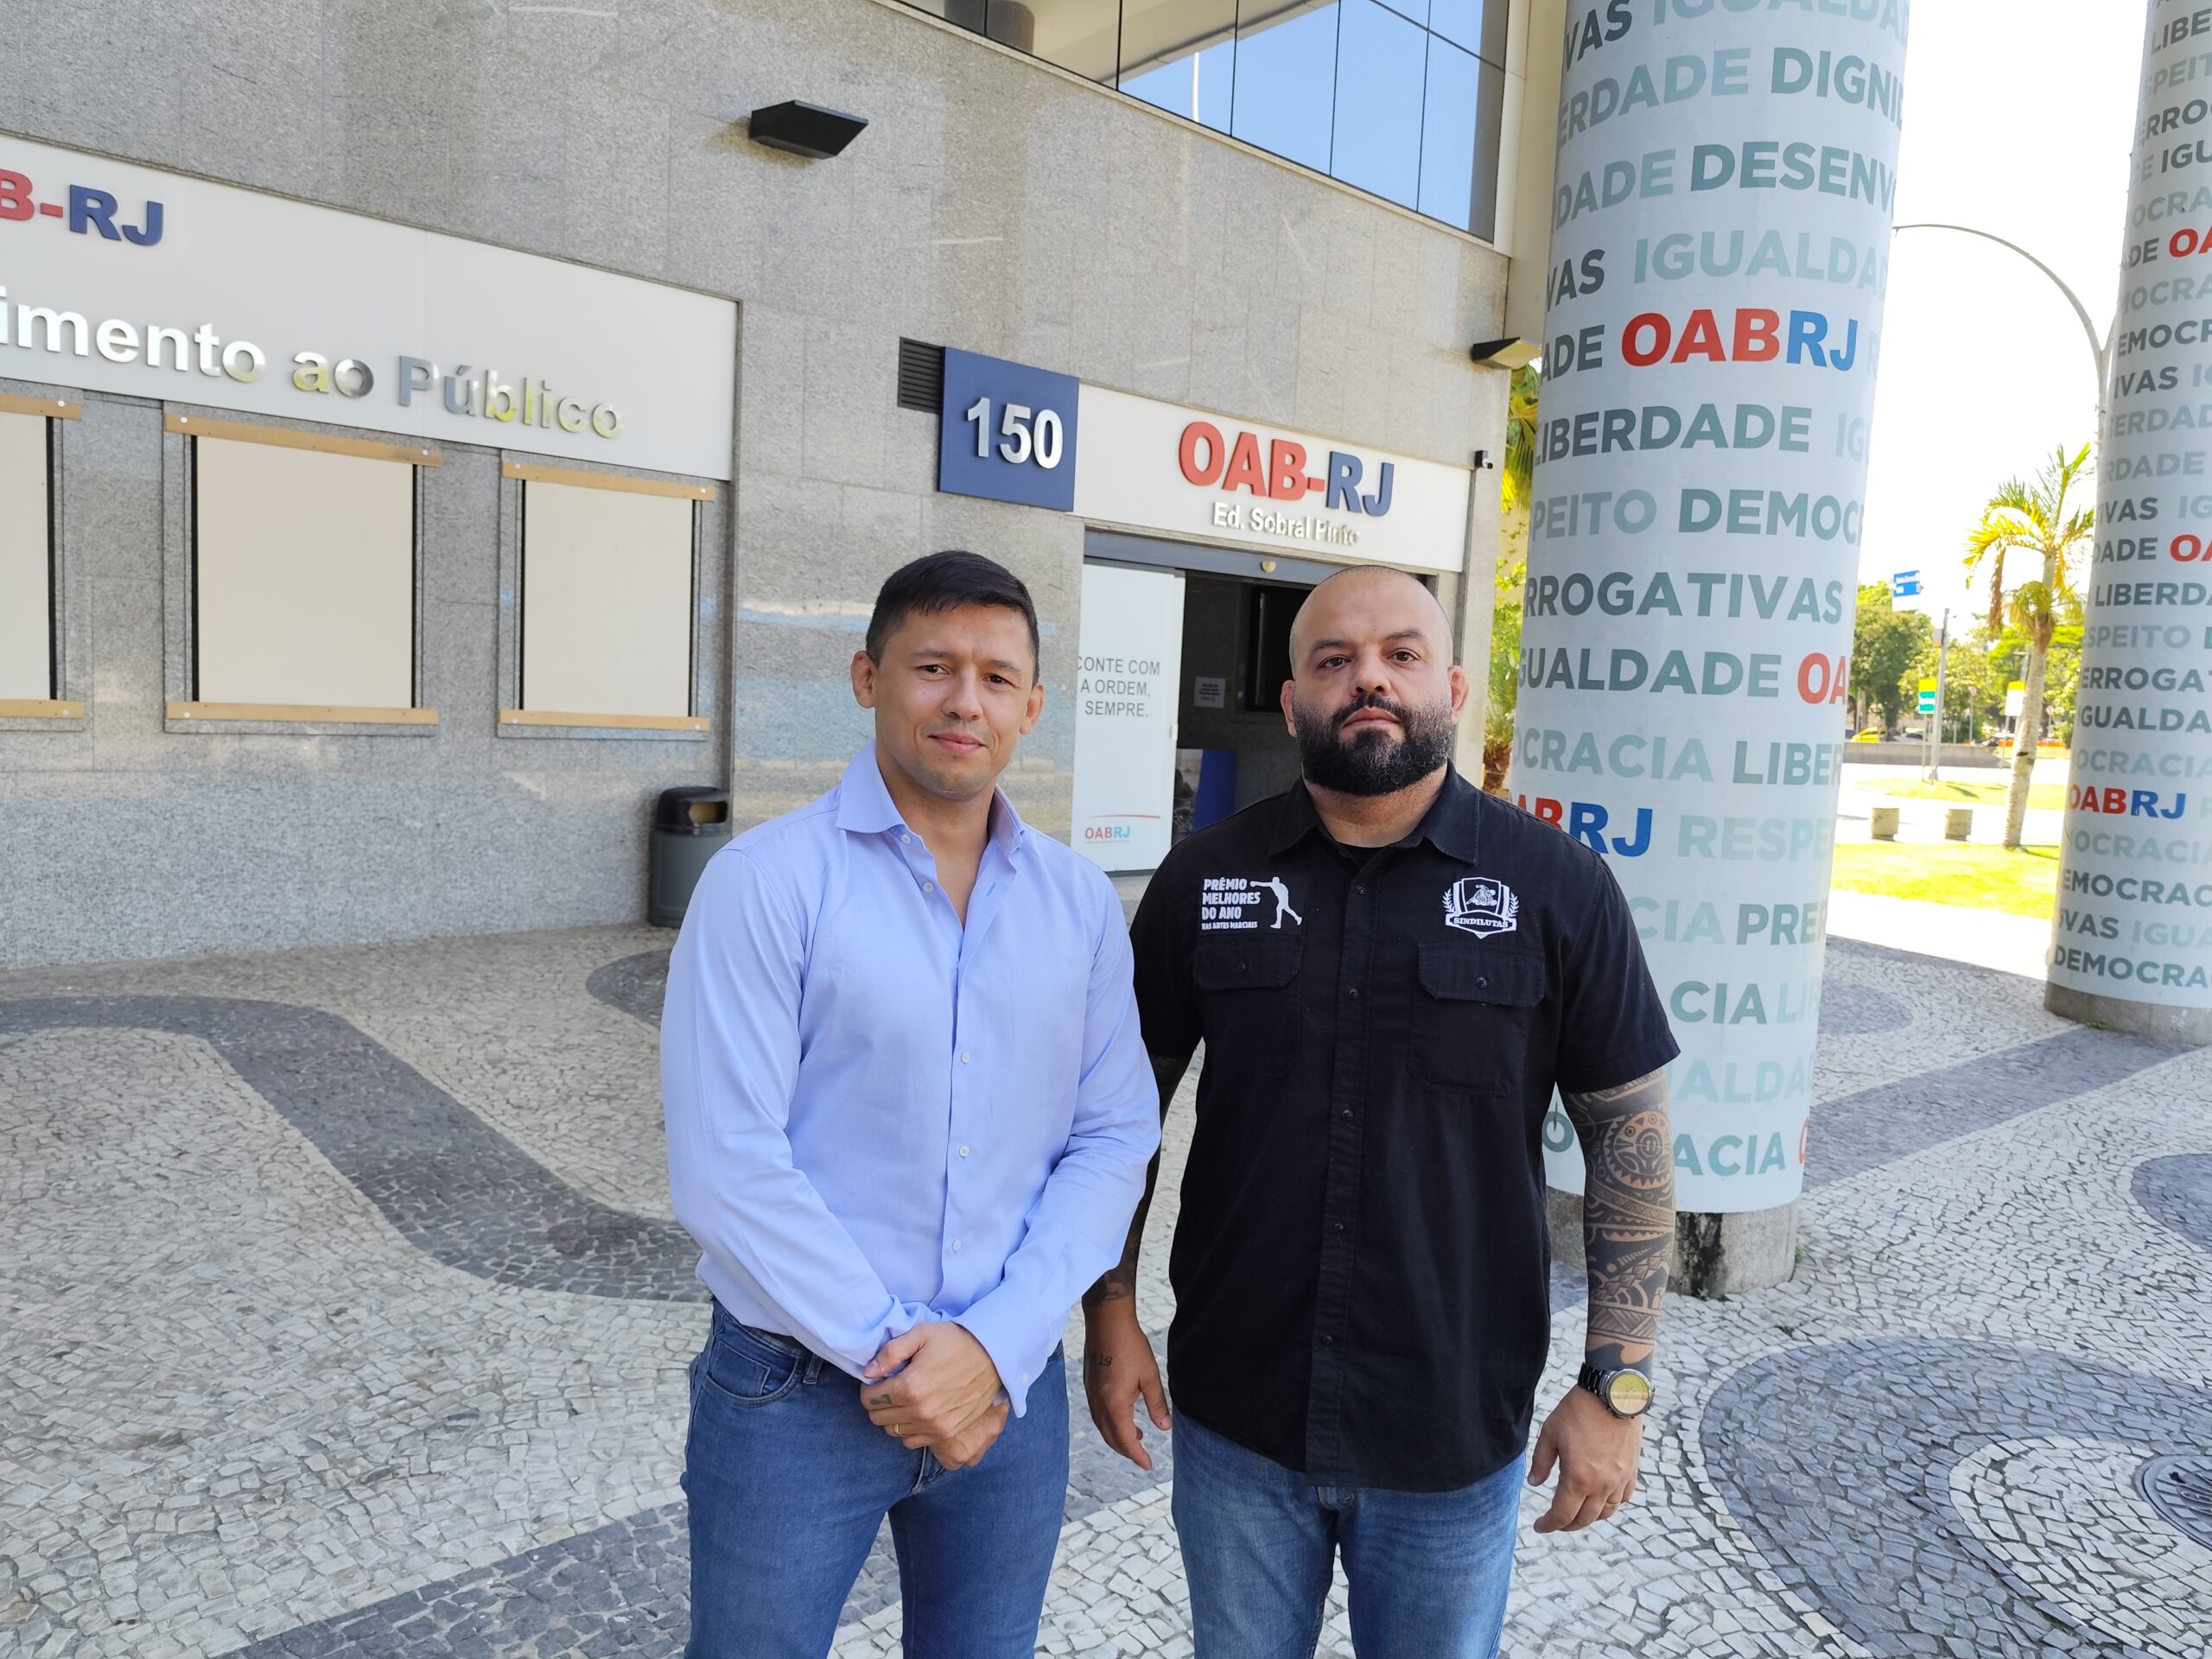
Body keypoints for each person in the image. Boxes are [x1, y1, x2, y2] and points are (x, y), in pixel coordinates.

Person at [1083, 565, 1679, 1659]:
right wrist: (1110, 1318)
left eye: (1400, 654)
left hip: (1452, 1428)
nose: (1369, 679)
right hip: (1238, 1416)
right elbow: (1121, 1120)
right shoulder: (1203, 879)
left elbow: (1630, 1145)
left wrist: (1618, 1384)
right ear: (1293, 699)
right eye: (1334, 660)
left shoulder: (1558, 888)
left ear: (1449, 683)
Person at [663, 550, 1160, 1659]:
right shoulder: (766, 882)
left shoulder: (1078, 903)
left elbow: (1114, 1130)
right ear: (867, 677)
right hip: (795, 1387)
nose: (962, 701)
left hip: (1005, 1382)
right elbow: (726, 1162)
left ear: (1033, 706)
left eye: (995, 676)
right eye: (932, 666)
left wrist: (996, 1341)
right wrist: (905, 1359)